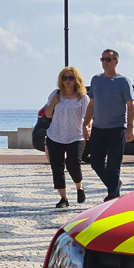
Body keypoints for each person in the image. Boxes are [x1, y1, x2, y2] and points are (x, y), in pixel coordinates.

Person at [83, 49, 134, 201]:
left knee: (113, 165)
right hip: (99, 129)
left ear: (116, 62)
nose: (104, 62)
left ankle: (113, 196)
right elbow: (92, 104)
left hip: (117, 128)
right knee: (96, 163)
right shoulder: (96, 80)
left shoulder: (123, 81)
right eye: (102, 59)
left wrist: (130, 127)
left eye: (108, 59)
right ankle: (115, 185)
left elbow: (131, 105)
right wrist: (86, 123)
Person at [44, 66, 90, 208]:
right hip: (55, 135)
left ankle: (79, 187)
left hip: (75, 136)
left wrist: (87, 127)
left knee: (73, 164)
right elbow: (48, 114)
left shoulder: (82, 97)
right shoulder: (56, 94)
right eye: (65, 78)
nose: (67, 81)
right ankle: (63, 199)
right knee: (57, 167)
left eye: (71, 78)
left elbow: (88, 116)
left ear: (76, 80)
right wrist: (53, 103)